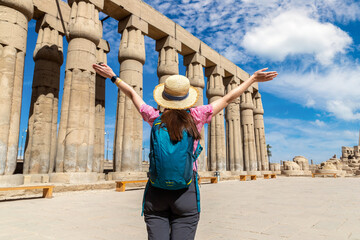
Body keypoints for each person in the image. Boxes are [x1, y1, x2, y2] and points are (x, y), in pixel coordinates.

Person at [92, 63, 277, 240]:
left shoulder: (155, 117)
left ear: (164, 97)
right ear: (187, 97)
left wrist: (114, 76)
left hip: (156, 191)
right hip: (186, 191)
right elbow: (228, 98)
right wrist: (252, 79)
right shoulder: (197, 116)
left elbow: (132, 94)